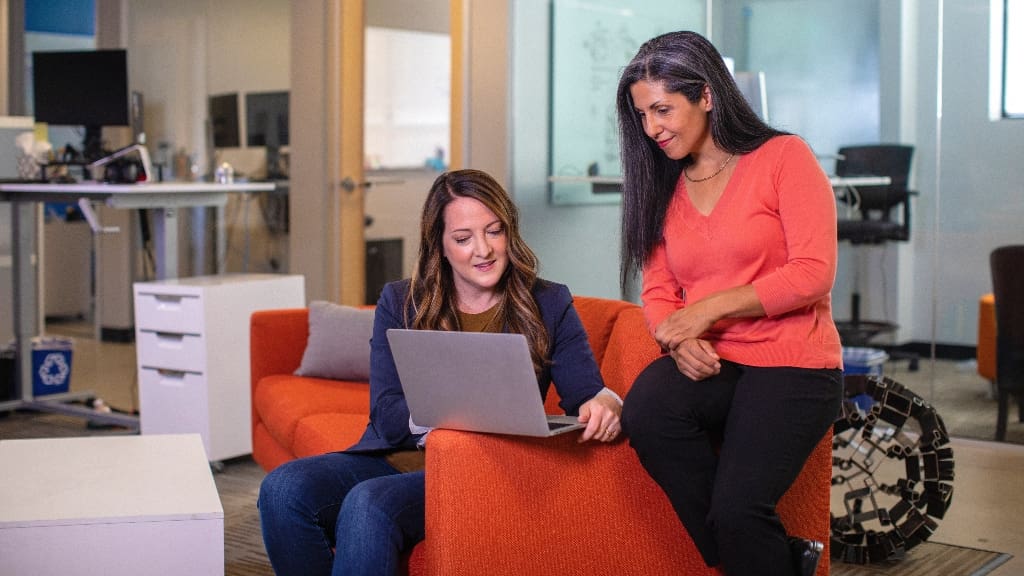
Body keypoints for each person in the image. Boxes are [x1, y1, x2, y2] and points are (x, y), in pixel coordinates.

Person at [257, 168, 623, 576]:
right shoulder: (401, 300)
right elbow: (386, 410)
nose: (482, 250)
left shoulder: (549, 302)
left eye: (494, 232)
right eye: (463, 239)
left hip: (483, 469)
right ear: (441, 246)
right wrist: (437, 415)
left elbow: (585, 394)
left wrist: (607, 402)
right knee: (283, 490)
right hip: (399, 457)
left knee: (368, 504)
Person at [614, 31, 844, 576]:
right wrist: (679, 334)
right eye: (643, 115)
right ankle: (777, 561)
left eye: (664, 109)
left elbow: (814, 273)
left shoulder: (784, 157)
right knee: (647, 409)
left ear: (707, 96)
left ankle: (748, 544)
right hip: (719, 360)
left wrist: (708, 311)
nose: (653, 128)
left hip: (795, 363)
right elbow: (658, 288)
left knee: (738, 508)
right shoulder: (661, 185)